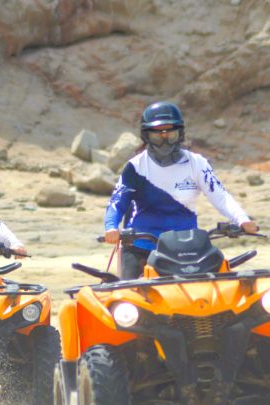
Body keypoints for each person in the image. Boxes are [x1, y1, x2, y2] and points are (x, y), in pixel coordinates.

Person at [103, 101, 259, 279]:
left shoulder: (197, 163)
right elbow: (117, 202)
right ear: (146, 136)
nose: (164, 140)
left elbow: (220, 195)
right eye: (157, 135)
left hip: (189, 249)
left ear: (180, 134)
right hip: (142, 247)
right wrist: (111, 227)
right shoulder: (136, 167)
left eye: (170, 134)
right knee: (127, 298)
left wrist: (242, 220)